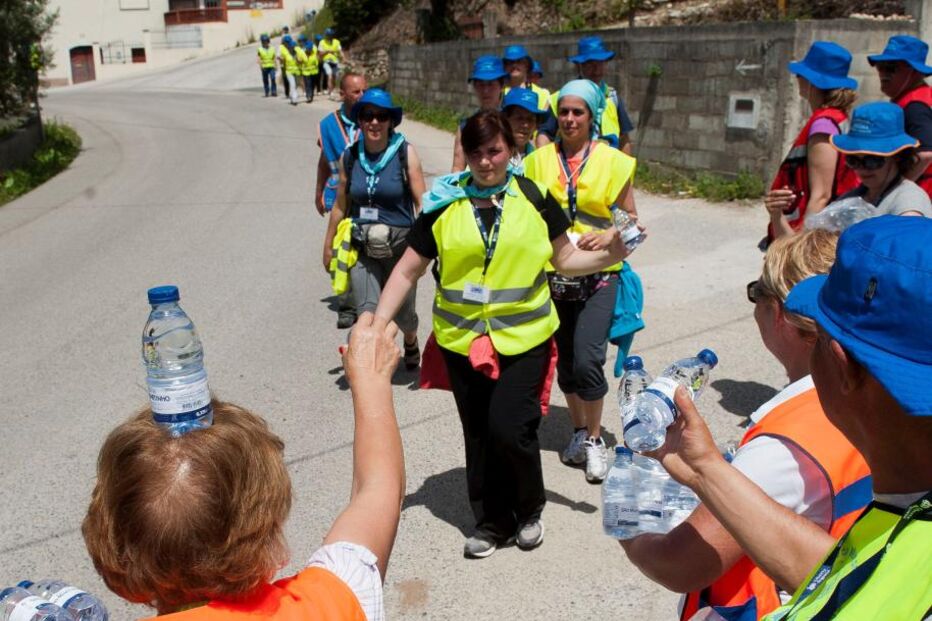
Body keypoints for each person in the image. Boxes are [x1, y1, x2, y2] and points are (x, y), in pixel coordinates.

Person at [641, 216, 932, 620]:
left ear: (841, 365)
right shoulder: (910, 509)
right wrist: (705, 470)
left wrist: (626, 516)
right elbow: (846, 573)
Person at [374, 110, 633, 558]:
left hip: (524, 338)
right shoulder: (444, 202)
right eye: (476, 153)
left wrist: (616, 252)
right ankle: (491, 522)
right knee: (477, 433)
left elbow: (565, 259)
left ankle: (529, 509)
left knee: (511, 429)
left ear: (510, 150)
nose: (485, 161)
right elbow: (407, 269)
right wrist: (379, 325)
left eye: (494, 151)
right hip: (461, 340)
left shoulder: (534, 195)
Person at [82, 312, 406, 621]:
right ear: (267, 528)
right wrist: (370, 378)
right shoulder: (328, 604)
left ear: (110, 544)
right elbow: (378, 490)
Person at [523, 79, 638, 483]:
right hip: (553, 276)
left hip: (600, 273)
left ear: (592, 117)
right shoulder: (536, 162)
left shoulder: (613, 161)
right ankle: (577, 432)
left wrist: (611, 233)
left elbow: (633, 226)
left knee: (589, 358)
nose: (570, 119)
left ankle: (594, 439)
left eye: (578, 112)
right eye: (564, 111)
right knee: (567, 362)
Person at [322, 88, 425, 369]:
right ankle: (364, 364)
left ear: (391, 121)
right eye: (368, 116)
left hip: (400, 251)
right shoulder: (350, 156)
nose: (375, 122)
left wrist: (427, 251)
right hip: (363, 248)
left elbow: (423, 205)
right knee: (366, 310)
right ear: (361, 120)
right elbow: (341, 204)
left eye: (381, 116)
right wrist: (329, 244)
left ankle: (412, 340)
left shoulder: (406, 153)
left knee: (405, 317)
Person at [764, 41, 860, 245]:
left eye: (801, 74)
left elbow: (821, 195)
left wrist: (801, 248)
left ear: (812, 82)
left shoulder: (824, 125)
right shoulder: (837, 118)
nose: (797, 78)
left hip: (807, 237)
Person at [317, 73, 367, 329]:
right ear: (343, 94)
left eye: (363, 91)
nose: (361, 96)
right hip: (340, 196)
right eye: (355, 92)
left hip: (369, 195)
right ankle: (347, 305)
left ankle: (369, 300)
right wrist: (318, 191)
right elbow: (325, 160)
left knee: (370, 248)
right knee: (341, 251)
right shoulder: (328, 125)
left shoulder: (373, 117)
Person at [829, 101, 932, 217]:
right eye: (853, 160)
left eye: (872, 161)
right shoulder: (849, 199)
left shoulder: (908, 202)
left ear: (897, 156)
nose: (862, 169)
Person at [537, 36, 635, 154]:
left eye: (600, 63)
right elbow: (544, 135)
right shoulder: (561, 98)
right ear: (579, 66)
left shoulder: (613, 98)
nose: (596, 70)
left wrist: (626, 170)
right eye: (590, 64)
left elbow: (624, 139)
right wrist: (546, 167)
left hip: (607, 168)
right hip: (572, 168)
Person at [868, 34, 932, 198]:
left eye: (891, 67)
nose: (883, 73)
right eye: (880, 66)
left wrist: (893, 192)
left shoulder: (915, 105)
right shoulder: (916, 98)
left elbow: (925, 155)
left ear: (915, 72)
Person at [451, 55, 508, 173]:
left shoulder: (512, 122)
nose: (485, 91)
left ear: (502, 85)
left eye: (491, 84)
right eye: (481, 85)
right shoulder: (466, 127)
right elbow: (457, 167)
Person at [501, 87, 547, 167]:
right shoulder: (492, 157)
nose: (525, 125)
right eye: (519, 118)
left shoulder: (540, 161)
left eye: (530, 119)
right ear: (505, 120)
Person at [501, 45, 550, 111]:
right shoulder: (499, 94)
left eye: (519, 61)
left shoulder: (542, 94)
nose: (514, 65)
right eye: (510, 62)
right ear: (505, 67)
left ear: (526, 65)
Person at [319, 28, 343, 99]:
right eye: (328, 35)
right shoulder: (322, 42)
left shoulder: (336, 42)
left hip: (335, 62)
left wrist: (342, 56)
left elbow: (340, 51)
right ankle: (330, 92)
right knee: (329, 76)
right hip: (326, 62)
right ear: (326, 35)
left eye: (331, 35)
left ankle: (332, 89)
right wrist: (327, 51)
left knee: (334, 77)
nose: (330, 36)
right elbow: (320, 54)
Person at [279, 35, 300, 106]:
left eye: (289, 43)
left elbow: (301, 59)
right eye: (286, 42)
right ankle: (294, 99)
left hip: (296, 71)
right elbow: (280, 57)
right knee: (292, 84)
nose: (288, 44)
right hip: (289, 71)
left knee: (296, 85)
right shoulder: (283, 50)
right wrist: (281, 60)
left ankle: (292, 96)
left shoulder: (296, 50)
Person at [301, 38, 319, 103]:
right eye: (308, 49)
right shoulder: (302, 53)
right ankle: (308, 96)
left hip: (314, 72)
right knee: (308, 84)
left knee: (313, 85)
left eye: (310, 49)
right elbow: (300, 61)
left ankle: (311, 96)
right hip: (305, 72)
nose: (309, 50)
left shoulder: (314, 54)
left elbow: (316, 63)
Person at [276, 26, 291, 100]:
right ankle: (287, 92)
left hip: (291, 65)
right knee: (286, 79)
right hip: (284, 66)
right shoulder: (281, 47)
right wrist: (281, 58)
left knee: (291, 78)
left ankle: (292, 91)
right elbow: (278, 56)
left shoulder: (291, 45)